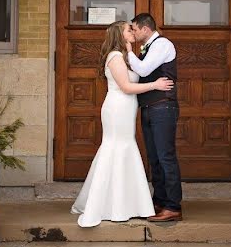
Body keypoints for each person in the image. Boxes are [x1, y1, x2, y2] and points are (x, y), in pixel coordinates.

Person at [71, 21, 173, 228]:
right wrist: (156, 84)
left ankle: (124, 203)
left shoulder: (124, 56)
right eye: (129, 29)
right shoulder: (115, 57)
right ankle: (111, 204)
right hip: (117, 109)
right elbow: (126, 87)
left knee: (124, 148)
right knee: (116, 147)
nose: (132, 31)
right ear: (120, 34)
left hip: (126, 109)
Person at [127, 13, 182, 222]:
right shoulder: (148, 47)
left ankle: (173, 206)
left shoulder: (162, 44)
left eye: (134, 28)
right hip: (149, 107)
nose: (132, 32)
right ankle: (159, 201)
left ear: (145, 29)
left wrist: (129, 51)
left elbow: (143, 69)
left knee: (166, 156)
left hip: (163, 107)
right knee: (154, 158)